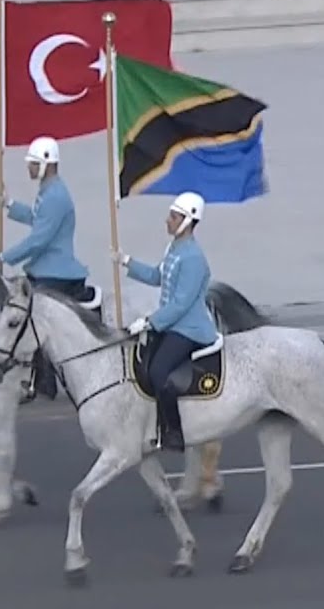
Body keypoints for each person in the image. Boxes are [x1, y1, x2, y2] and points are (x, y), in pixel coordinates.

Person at [112, 191, 218, 452]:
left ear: (188, 221)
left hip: (190, 329)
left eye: (174, 216)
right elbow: (158, 277)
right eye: (171, 215)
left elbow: (180, 305)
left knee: (159, 372)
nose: (167, 220)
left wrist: (148, 322)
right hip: (171, 324)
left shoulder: (192, 258)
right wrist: (127, 262)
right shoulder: (174, 249)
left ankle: (173, 432)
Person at [0, 136, 92, 400]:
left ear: (47, 164)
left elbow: (39, 239)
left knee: (32, 320)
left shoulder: (55, 196)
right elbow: (39, 218)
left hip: (56, 272)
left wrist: (4, 258)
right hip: (44, 268)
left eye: (33, 163)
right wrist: (10, 205)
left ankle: (44, 382)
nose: (28, 168)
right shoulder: (49, 191)